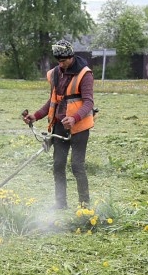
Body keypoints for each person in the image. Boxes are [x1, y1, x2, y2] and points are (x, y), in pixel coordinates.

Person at [22, 39, 95, 209]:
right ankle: (61, 204)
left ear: (71, 56)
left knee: (77, 166)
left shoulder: (85, 74)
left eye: (64, 61)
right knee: (58, 165)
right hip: (59, 125)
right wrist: (36, 116)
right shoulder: (55, 73)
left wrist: (74, 118)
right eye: (58, 61)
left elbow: (88, 102)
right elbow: (53, 101)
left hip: (79, 127)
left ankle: (84, 205)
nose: (61, 64)